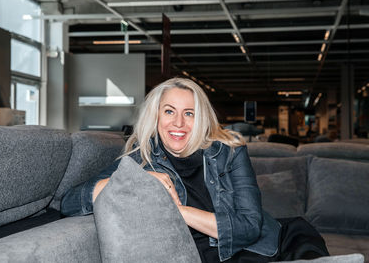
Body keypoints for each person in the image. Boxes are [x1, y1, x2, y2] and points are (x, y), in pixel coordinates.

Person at [61, 77, 329, 262]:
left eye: (189, 113)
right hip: (201, 256)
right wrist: (131, 180)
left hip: (267, 244)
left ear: (199, 118)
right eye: (169, 111)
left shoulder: (230, 150)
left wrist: (179, 211)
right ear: (155, 116)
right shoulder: (139, 161)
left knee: (305, 236)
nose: (179, 123)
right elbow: (69, 202)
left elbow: (249, 227)